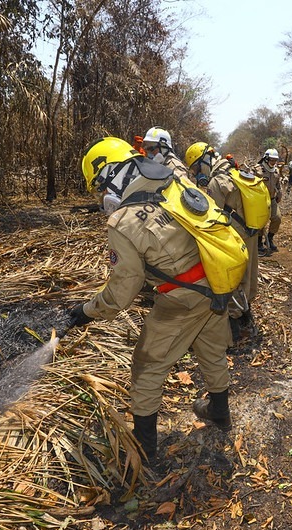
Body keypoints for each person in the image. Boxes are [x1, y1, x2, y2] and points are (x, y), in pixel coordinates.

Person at [70, 137, 234, 461]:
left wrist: (86, 311)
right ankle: (220, 413)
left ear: (112, 174)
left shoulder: (123, 221)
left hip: (182, 299)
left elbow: (122, 290)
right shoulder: (174, 180)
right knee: (211, 350)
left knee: (146, 368)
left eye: (101, 187)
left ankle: (144, 452)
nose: (103, 196)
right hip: (217, 280)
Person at [185, 141, 265, 342]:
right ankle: (247, 317)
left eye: (196, 168)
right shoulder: (234, 172)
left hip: (236, 236)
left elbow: (212, 216)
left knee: (235, 278)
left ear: (204, 161)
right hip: (251, 231)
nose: (196, 174)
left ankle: (235, 329)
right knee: (249, 275)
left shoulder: (215, 183)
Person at [253, 148, 282, 255]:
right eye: (271, 160)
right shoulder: (257, 170)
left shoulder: (276, 170)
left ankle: (269, 238)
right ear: (266, 159)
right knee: (261, 221)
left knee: (277, 218)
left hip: (272, 199)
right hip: (260, 200)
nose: (273, 162)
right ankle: (259, 242)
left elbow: (278, 184)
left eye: (275, 160)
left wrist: (279, 194)